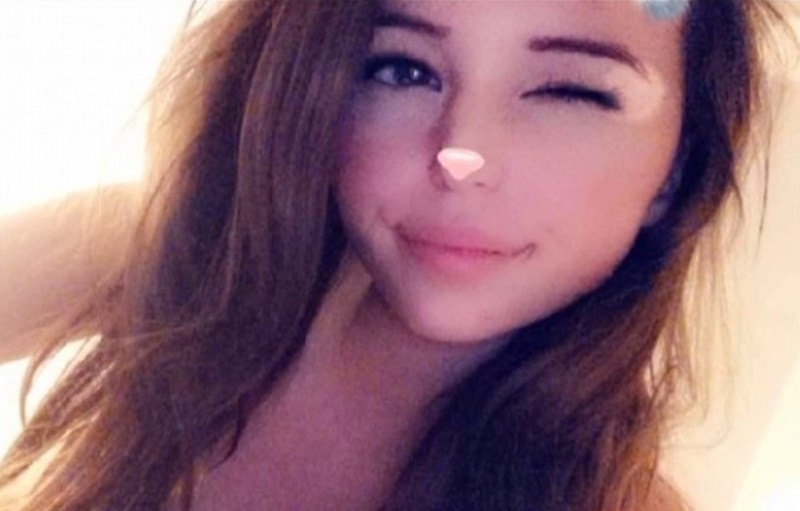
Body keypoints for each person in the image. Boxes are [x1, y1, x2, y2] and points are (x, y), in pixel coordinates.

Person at [0, 0, 786, 509]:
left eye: (569, 90)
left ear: (675, 169)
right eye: (403, 69)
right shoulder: (151, 251)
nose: (462, 155)